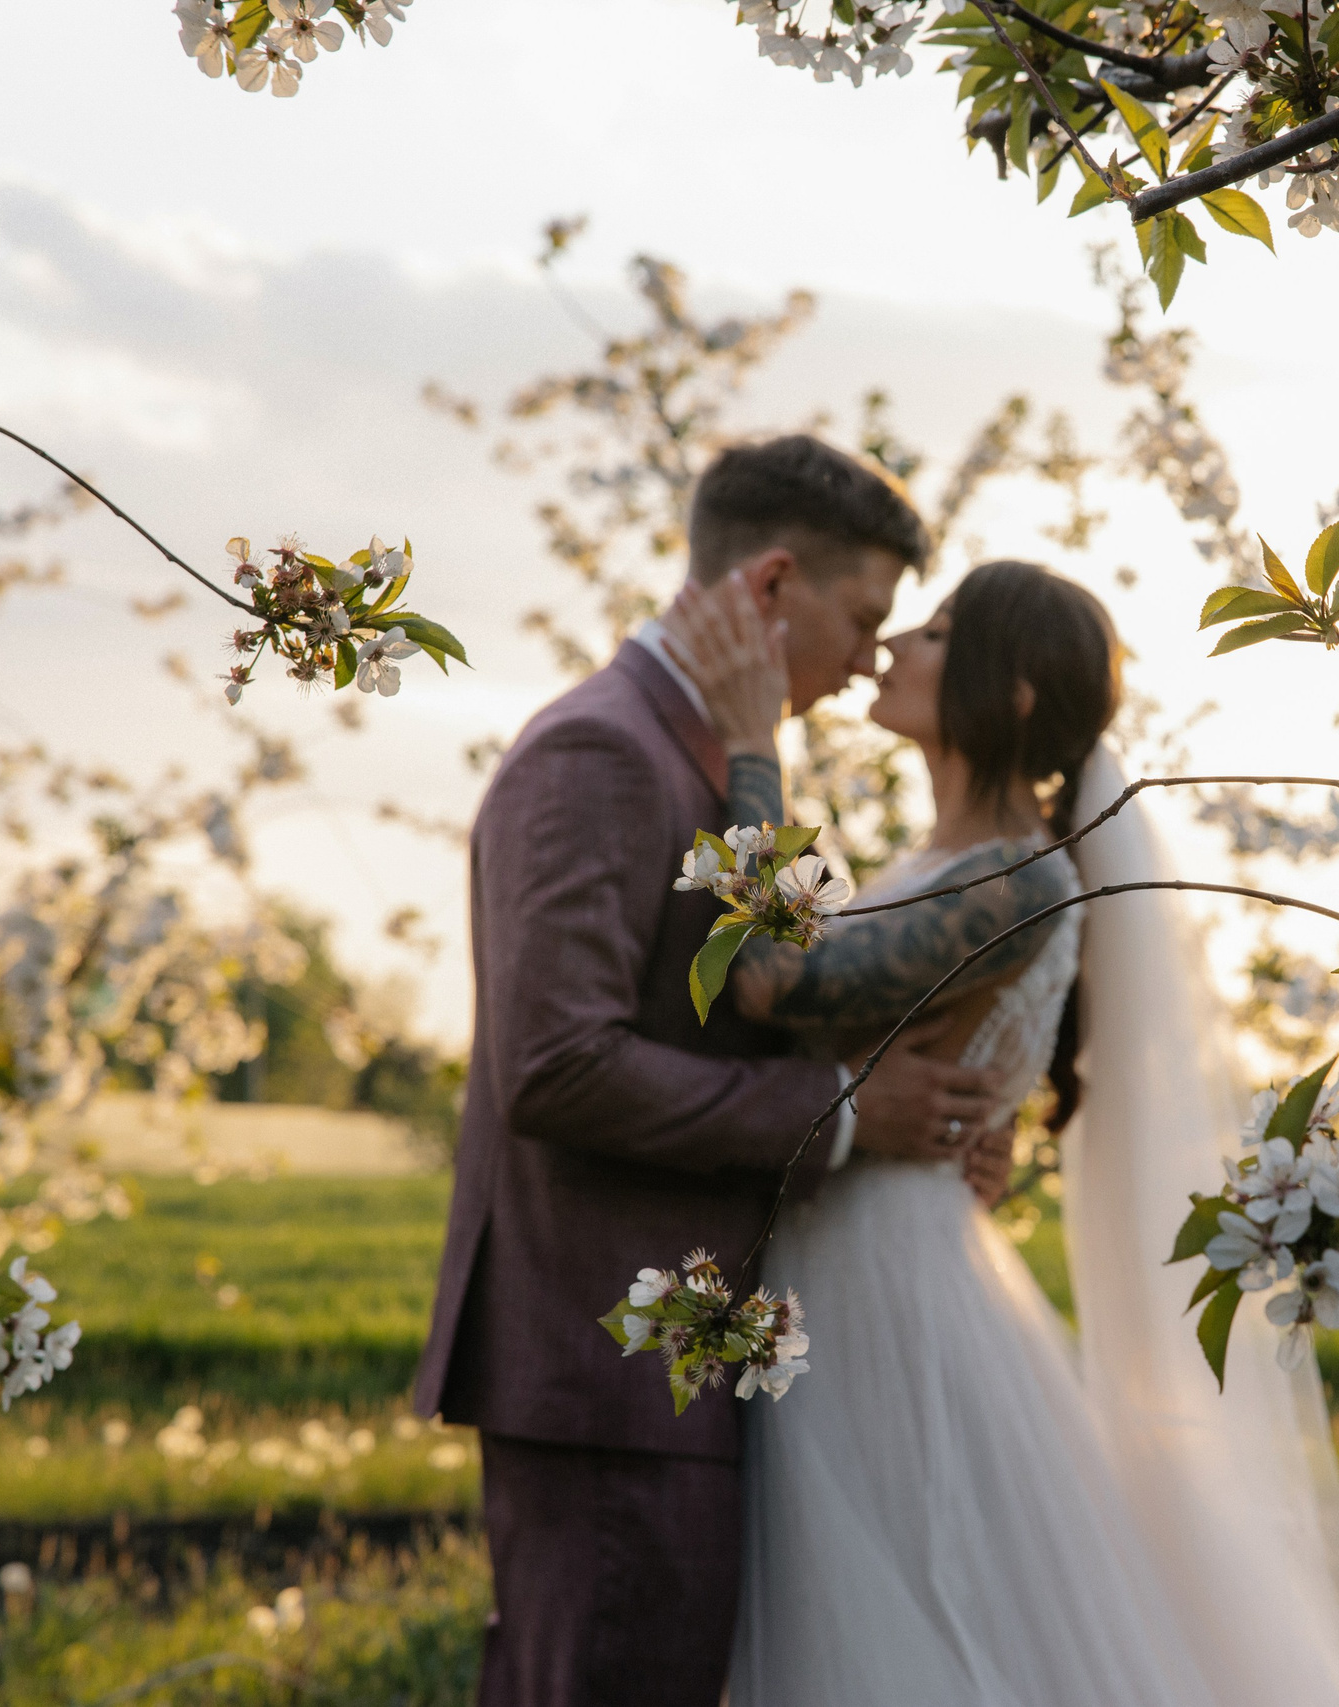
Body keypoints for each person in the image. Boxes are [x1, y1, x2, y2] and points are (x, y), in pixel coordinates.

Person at [665, 558, 1339, 1707]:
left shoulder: (1018, 879)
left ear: (1011, 694)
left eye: (938, 630)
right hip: (848, 1260)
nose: (898, 646)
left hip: (892, 1289)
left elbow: (770, 976)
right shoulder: (932, 866)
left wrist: (755, 744)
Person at [412, 435, 1016, 1707]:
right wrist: (847, 1119)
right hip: (609, 1375)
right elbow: (557, 1067)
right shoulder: (601, 755)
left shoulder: (701, 760)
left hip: (676, 1366)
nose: (866, 663)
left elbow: (770, 1003)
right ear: (773, 582)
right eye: (861, 620)